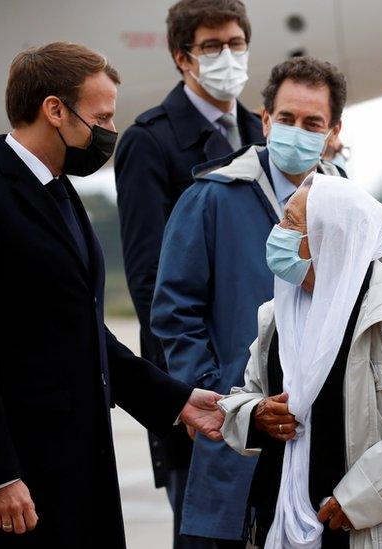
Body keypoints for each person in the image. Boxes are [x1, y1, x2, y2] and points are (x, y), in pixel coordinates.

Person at [0, 42, 224, 549]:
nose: (109, 130)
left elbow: (82, 328)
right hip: (20, 484)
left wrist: (176, 401)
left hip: (79, 465)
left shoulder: (61, 193)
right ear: (55, 110)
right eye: (102, 117)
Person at [219, 174, 382, 549]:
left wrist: (359, 497)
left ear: (331, 237)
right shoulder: (278, 315)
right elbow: (247, 394)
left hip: (373, 526)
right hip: (282, 518)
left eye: (291, 222)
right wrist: (255, 413)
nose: (278, 231)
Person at [150, 56, 347, 547]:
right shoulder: (211, 197)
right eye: (286, 119)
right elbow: (174, 311)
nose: (297, 131)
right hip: (236, 433)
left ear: (334, 130)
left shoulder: (348, 206)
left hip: (322, 441)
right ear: (264, 120)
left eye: (312, 123)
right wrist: (224, 402)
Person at [113, 2, 261, 546]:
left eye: (236, 43)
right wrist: (198, 387)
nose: (228, 56)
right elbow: (154, 285)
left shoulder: (261, 131)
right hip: (196, 392)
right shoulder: (148, 143)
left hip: (266, 387)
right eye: (212, 47)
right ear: (183, 58)